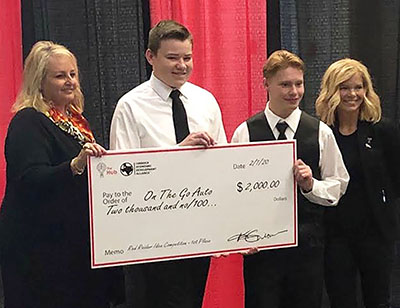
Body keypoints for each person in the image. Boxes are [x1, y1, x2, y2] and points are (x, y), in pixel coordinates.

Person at [110, 20, 227, 308]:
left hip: (197, 228)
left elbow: (224, 163)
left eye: (187, 57)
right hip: (150, 235)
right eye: (172, 58)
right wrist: (177, 153)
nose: (182, 66)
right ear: (151, 57)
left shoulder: (206, 101)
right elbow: (121, 177)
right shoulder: (131, 106)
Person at [0, 41, 124, 308]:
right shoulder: (28, 121)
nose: (70, 82)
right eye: (59, 76)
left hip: (74, 247)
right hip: (41, 253)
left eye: (72, 74)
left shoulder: (75, 121)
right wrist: (74, 165)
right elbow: (29, 180)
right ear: (39, 82)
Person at [231, 49, 349, 308]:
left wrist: (310, 185)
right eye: (285, 84)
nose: (294, 91)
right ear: (266, 84)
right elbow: (232, 193)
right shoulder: (245, 132)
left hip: (307, 247)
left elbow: (338, 184)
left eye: (298, 83)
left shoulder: (320, 132)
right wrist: (239, 236)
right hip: (261, 249)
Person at [315, 58, 400, 308]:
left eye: (358, 87)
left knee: (378, 300)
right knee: (341, 300)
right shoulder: (319, 133)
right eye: (344, 87)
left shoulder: (383, 131)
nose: (352, 94)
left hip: (375, 234)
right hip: (335, 235)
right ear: (332, 91)